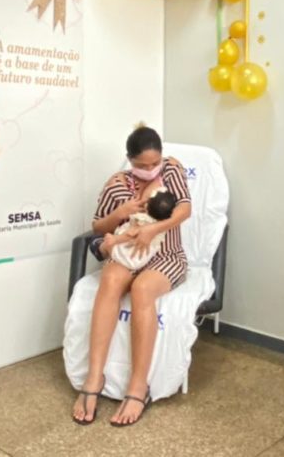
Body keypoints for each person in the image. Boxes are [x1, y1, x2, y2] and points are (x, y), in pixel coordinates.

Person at [71, 126, 192, 427]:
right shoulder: (116, 185)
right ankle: (94, 378)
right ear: (129, 160)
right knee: (111, 279)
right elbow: (98, 227)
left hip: (166, 255)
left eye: (155, 163)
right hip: (129, 254)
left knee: (142, 289)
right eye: (142, 165)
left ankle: (138, 387)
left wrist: (153, 229)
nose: (150, 170)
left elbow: (184, 210)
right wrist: (121, 212)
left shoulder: (172, 169)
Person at [109, 189, 177, 272]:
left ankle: (106, 249)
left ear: (146, 206)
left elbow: (130, 234)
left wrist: (115, 239)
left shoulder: (142, 220)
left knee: (111, 244)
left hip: (128, 256)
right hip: (141, 260)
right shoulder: (162, 226)